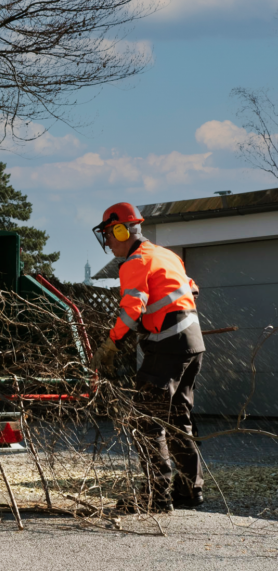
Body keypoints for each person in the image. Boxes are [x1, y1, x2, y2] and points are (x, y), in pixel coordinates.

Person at [89, 202, 205, 513]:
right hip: (193, 345)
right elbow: (192, 291)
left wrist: (111, 344)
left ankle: (157, 496)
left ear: (121, 230)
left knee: (146, 420)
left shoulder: (135, 262)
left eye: (109, 235)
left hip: (167, 347)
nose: (108, 242)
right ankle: (190, 490)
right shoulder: (166, 255)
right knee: (178, 418)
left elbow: (132, 309)